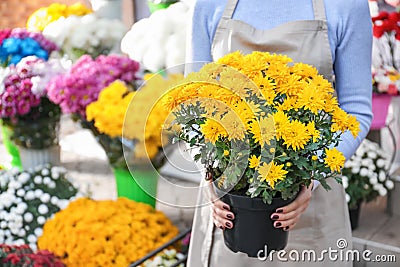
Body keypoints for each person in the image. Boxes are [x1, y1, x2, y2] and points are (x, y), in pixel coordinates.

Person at [184, 0, 373, 266]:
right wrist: (208, 172)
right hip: (227, 206)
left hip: (311, 203)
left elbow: (356, 111)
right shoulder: (208, 4)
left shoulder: (346, 5)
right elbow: (194, 102)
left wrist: (309, 178)